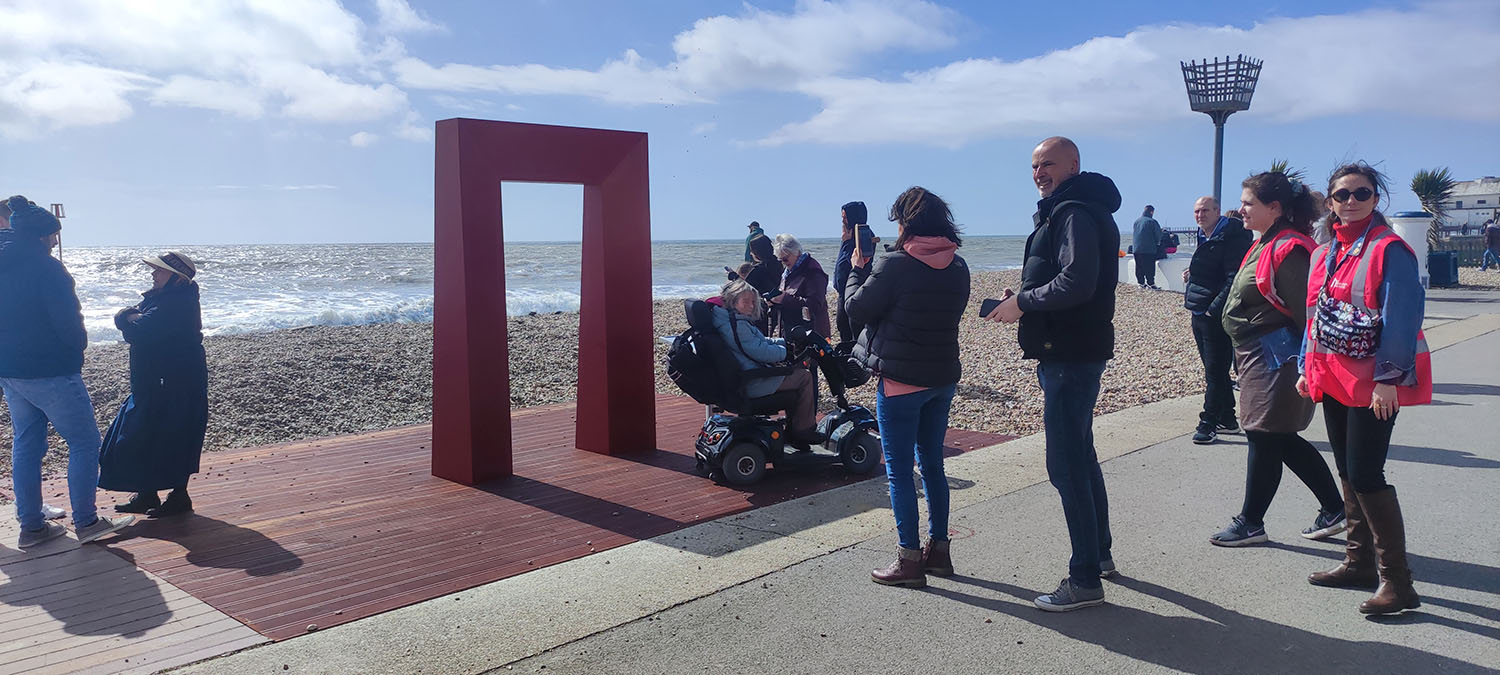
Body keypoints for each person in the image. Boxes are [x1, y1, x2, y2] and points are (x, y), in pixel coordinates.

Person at [986, 137, 1120, 611]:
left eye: (1048, 164)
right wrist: (1020, 293)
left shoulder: (1074, 212)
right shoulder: (1070, 209)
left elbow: (1078, 281)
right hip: (1070, 349)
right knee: (1080, 456)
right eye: (1035, 165)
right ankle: (1098, 555)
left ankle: (1084, 579)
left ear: (1074, 165)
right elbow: (1063, 276)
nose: (1040, 172)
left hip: (1069, 353)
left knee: (1065, 464)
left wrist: (1022, 302)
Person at [1298, 162, 1431, 615]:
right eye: (1342, 194)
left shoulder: (1390, 249)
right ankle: (1358, 563)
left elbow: (1402, 317)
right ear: (1330, 201)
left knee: (1367, 474)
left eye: (1361, 192)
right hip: (1333, 374)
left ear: (1376, 198)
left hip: (1373, 380)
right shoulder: (1324, 251)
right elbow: (1315, 315)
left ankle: (1398, 582)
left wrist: (1389, 379)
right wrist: (1304, 366)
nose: (1351, 201)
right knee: (1349, 472)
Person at [1207, 172, 1345, 548]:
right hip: (1259, 356)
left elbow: (1308, 314)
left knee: (1265, 435)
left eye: (1249, 203)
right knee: (1276, 436)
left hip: (1277, 359)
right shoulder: (1268, 241)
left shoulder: (1289, 248)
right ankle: (1334, 508)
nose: (1241, 209)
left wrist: (1309, 367)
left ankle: (1251, 522)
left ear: (1275, 208)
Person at [843, 187, 969, 588]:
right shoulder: (958, 266)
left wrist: (856, 269)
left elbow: (854, 311)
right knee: (932, 464)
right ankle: (940, 551)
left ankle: (909, 560)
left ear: (906, 222)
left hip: (901, 381)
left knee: (899, 472)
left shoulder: (894, 265)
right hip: (942, 377)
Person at [0, 196, 134, 547]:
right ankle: (87, 522)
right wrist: (77, 348)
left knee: (27, 444)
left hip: (11, 370)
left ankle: (31, 528)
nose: (56, 240)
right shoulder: (47, 268)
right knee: (85, 442)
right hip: (51, 370)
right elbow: (67, 322)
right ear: (41, 235)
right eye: (53, 234)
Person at [98, 251, 209, 517]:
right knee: (146, 435)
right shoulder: (165, 299)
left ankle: (178, 497)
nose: (153, 274)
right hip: (155, 382)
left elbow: (141, 330)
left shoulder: (176, 302)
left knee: (172, 436)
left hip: (175, 382)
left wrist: (126, 317)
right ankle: (148, 494)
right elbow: (139, 327)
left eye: (159, 271)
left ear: (177, 278)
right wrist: (129, 316)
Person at [711, 279, 821, 445]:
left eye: (753, 302)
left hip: (745, 377)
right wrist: (786, 353)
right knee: (804, 377)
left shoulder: (729, 320)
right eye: (745, 301)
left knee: (794, 373)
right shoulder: (737, 326)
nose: (751, 306)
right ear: (733, 301)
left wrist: (784, 343)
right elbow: (759, 351)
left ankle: (795, 427)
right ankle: (804, 431)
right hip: (752, 381)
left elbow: (759, 342)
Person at [1183, 197, 1253, 444]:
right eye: (1196, 211)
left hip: (1214, 314)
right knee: (1215, 370)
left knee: (1215, 371)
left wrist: (1214, 309)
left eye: (1204, 210)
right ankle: (1228, 419)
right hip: (1198, 310)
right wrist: (1193, 275)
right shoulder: (1207, 235)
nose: (1200, 215)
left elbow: (1234, 278)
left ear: (1217, 211)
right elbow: (1212, 268)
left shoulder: (1231, 237)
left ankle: (1208, 421)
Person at [769, 234, 831, 340]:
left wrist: (785, 299)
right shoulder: (787, 272)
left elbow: (815, 305)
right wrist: (774, 301)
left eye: (785, 259)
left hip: (811, 332)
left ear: (796, 252)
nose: (784, 263)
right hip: (792, 330)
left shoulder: (813, 271)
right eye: (780, 260)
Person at [833, 201, 877, 347]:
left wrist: (846, 243)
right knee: (843, 330)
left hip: (854, 290)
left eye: (845, 218)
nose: (843, 221)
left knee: (854, 334)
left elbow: (851, 264)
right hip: (843, 291)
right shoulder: (850, 234)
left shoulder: (864, 236)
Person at [727, 235, 780, 334]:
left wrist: (733, 276)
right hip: (778, 305)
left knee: (761, 333)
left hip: (762, 307)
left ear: (757, 252)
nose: (751, 254)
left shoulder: (759, 270)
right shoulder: (778, 263)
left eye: (752, 251)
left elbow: (745, 287)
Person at [1131, 205, 1162, 288]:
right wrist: (1157, 243)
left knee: (1139, 267)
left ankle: (1141, 283)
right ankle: (1151, 283)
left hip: (1136, 248)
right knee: (1150, 267)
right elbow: (1158, 235)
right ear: (1151, 212)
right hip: (1148, 248)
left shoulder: (1136, 221)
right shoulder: (1152, 221)